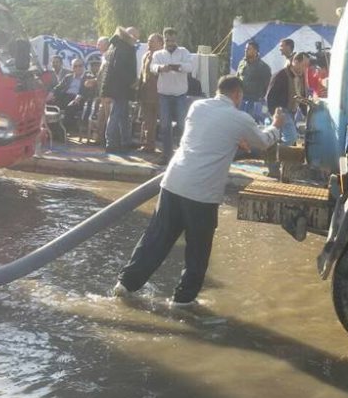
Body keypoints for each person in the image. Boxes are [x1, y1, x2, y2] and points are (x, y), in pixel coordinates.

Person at [112, 75, 286, 304]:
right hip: (202, 193)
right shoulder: (239, 117)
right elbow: (262, 142)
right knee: (198, 250)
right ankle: (182, 301)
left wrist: (236, 139)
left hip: (173, 183)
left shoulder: (197, 106)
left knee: (156, 238)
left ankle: (125, 284)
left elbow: (210, 135)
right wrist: (276, 125)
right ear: (237, 95)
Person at [150, 27, 193, 165]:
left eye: (173, 40)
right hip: (164, 95)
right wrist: (161, 68)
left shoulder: (184, 52)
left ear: (176, 39)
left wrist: (177, 67)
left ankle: (183, 155)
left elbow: (190, 67)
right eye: (168, 40)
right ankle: (166, 155)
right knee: (165, 126)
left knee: (182, 125)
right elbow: (152, 67)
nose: (170, 42)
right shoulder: (158, 54)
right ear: (164, 39)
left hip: (180, 94)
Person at [265, 52, 310, 178]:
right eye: (304, 65)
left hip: (292, 112)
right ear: (295, 62)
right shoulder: (281, 75)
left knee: (278, 139)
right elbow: (270, 95)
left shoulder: (301, 77)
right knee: (291, 137)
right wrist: (274, 112)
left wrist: (306, 113)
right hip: (281, 110)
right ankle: (278, 160)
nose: (305, 68)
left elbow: (301, 97)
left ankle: (274, 166)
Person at [99, 26, 137, 153]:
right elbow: (122, 69)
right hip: (121, 87)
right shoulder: (126, 48)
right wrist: (132, 81)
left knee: (123, 116)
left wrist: (105, 89)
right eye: (135, 36)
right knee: (116, 114)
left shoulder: (113, 47)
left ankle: (125, 141)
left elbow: (108, 71)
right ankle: (111, 143)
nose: (136, 39)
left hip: (113, 86)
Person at [136, 33, 163, 152]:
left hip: (161, 94)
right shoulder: (146, 55)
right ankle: (148, 145)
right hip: (146, 94)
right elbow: (142, 75)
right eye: (148, 41)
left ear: (160, 44)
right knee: (147, 121)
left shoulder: (163, 56)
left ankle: (165, 147)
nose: (149, 43)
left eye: (152, 41)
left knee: (164, 122)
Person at [236, 40, 272, 123]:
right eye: (245, 49)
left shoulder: (263, 67)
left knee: (250, 122)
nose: (246, 50)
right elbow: (237, 78)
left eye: (248, 49)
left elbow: (267, 85)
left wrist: (261, 98)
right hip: (241, 99)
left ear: (255, 51)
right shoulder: (242, 63)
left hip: (254, 101)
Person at [51, 58, 90, 130]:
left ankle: (64, 130)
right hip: (65, 96)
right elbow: (58, 87)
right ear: (72, 68)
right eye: (75, 66)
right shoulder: (68, 77)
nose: (78, 68)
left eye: (80, 66)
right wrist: (51, 93)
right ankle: (52, 127)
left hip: (78, 98)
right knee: (51, 103)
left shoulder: (87, 77)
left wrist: (78, 97)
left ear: (83, 67)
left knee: (70, 107)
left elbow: (86, 91)